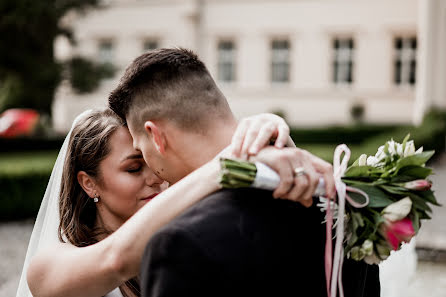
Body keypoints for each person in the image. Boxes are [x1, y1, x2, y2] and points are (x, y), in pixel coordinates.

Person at [108, 48, 380, 297]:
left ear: (156, 136)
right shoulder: (345, 205)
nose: (152, 173)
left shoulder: (178, 243)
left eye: (139, 150)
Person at [18, 108, 326, 297]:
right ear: (89, 183)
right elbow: (115, 260)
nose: (155, 178)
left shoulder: (182, 241)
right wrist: (224, 164)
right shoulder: (47, 265)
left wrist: (265, 135)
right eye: (133, 168)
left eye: (154, 162)